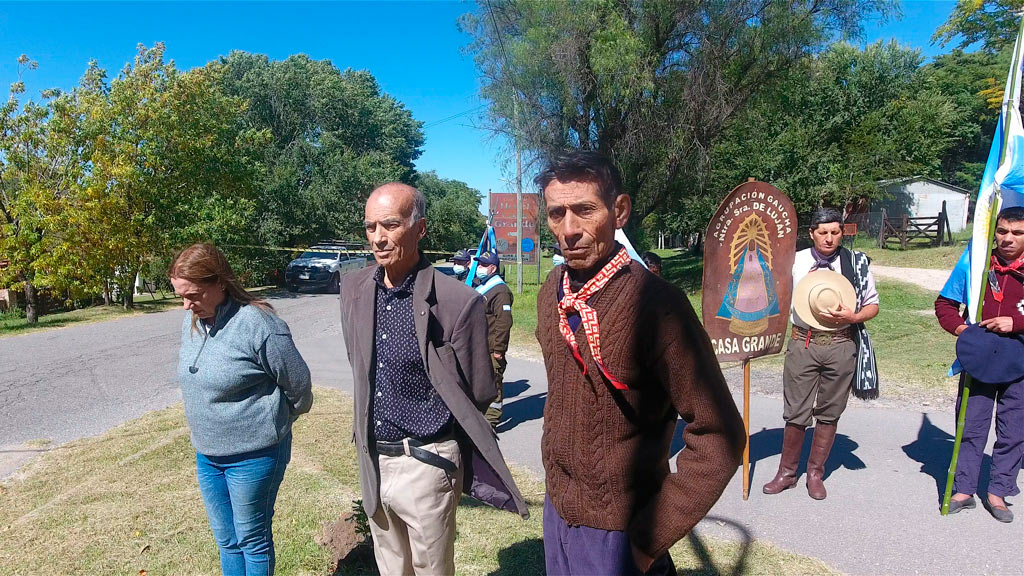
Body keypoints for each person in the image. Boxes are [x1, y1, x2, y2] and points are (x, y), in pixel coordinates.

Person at [534, 151, 745, 575]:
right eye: (556, 214)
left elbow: (720, 435)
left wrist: (647, 542)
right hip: (557, 514)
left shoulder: (658, 307)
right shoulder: (551, 292)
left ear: (620, 210)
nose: (569, 229)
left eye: (585, 210)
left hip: (621, 533)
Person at [339, 182, 527, 575]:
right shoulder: (354, 289)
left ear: (420, 229)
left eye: (390, 225)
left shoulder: (458, 301)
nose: (378, 237)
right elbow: (360, 365)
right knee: (390, 569)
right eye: (370, 227)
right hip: (373, 460)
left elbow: (479, 389)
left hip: (426, 464)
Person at [170, 243, 313, 576]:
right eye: (180, 295)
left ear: (220, 282)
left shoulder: (258, 324)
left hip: (254, 456)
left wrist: (276, 420)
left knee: (251, 539)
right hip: (207, 454)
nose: (186, 305)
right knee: (226, 539)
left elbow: (300, 386)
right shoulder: (193, 322)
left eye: (193, 295)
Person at [762, 207, 880, 500]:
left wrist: (853, 317)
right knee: (796, 412)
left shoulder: (856, 263)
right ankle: (787, 473)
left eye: (835, 232)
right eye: (823, 232)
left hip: (841, 344)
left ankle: (815, 474)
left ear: (842, 233)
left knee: (830, 411)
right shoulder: (794, 261)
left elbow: (872, 305)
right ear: (812, 233)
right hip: (803, 342)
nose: (829, 238)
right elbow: (770, 295)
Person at [935, 206, 1024, 522]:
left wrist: (1016, 322)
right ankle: (963, 489)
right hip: (979, 363)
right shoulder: (977, 264)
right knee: (970, 426)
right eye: (1002, 231)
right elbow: (945, 305)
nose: (1007, 239)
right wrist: (965, 331)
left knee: (1013, 431)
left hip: (1020, 365)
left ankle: (998, 492)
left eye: (1017, 233)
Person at [473, 250, 514, 427]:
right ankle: (480, 418)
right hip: (479, 345)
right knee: (480, 383)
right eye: (478, 264)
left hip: (491, 347)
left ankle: (491, 421)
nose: (478, 268)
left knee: (494, 384)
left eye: (482, 265)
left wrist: (499, 349)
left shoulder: (500, 291)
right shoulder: (482, 285)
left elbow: (503, 322)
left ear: (493, 268)